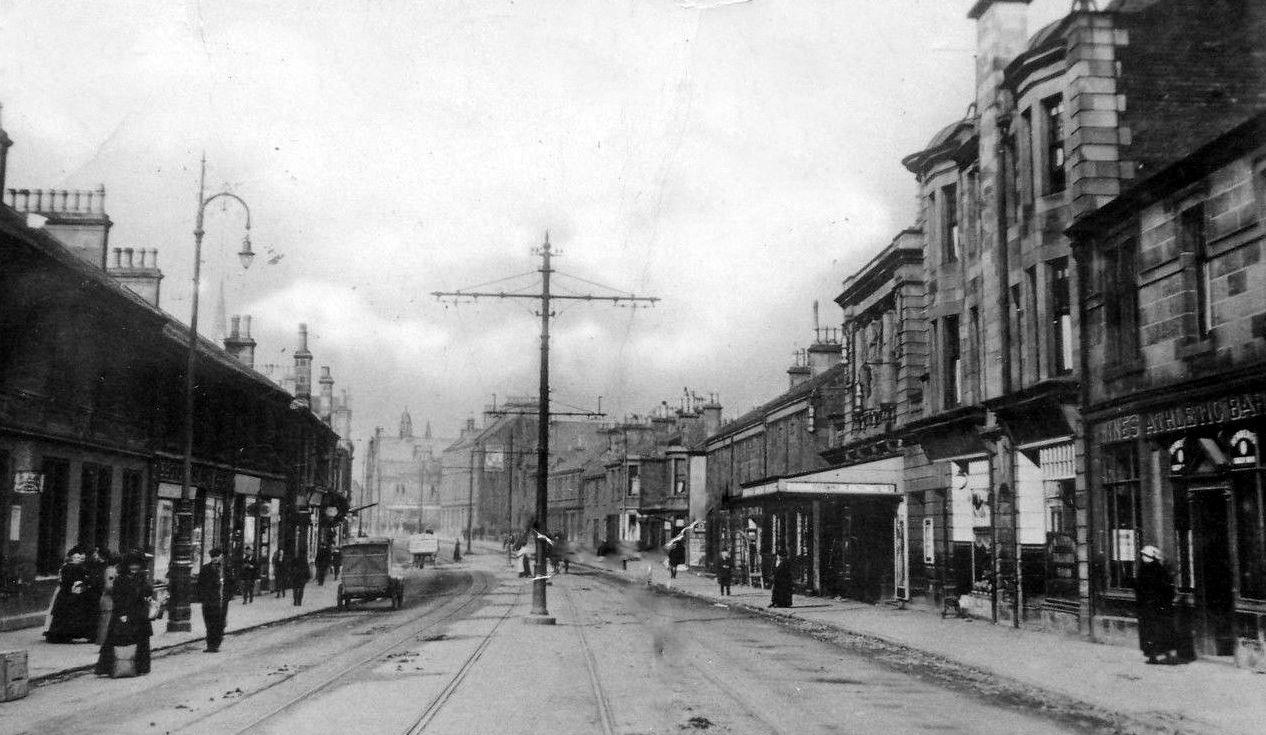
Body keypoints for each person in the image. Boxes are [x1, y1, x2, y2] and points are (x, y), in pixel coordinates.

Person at [96, 553, 153, 676]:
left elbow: (148, 592)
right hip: (124, 613)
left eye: (136, 565)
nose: (134, 568)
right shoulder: (120, 579)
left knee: (141, 640)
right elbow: (117, 597)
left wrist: (147, 598)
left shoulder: (142, 578)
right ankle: (113, 667)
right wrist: (122, 613)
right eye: (131, 565)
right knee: (119, 640)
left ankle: (140, 667)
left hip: (139, 614)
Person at [45, 546, 100, 643]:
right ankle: (64, 635)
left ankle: (60, 634)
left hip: (65, 593)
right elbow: (76, 581)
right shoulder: (74, 568)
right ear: (71, 558)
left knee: (64, 615)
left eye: (79, 558)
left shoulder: (67, 567)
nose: (78, 560)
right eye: (76, 558)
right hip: (70, 593)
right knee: (69, 615)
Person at [1136, 545, 1180, 665]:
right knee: (1161, 630)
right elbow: (1168, 589)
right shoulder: (1159, 569)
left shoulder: (1144, 570)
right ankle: (1165, 653)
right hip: (1159, 607)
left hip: (1149, 607)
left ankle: (1153, 656)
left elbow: (1139, 590)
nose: (1144, 558)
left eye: (1145, 556)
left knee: (1150, 632)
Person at [197, 548, 232, 653]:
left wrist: (228, 597)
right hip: (208, 601)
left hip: (221, 601)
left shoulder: (226, 569)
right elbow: (200, 585)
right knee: (209, 623)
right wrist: (203, 598)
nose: (215, 559)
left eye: (217, 556)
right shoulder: (205, 569)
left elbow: (232, 583)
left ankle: (216, 644)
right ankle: (210, 645)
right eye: (213, 557)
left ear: (221, 556)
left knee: (220, 623)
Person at [93, 549, 120, 646]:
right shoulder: (111, 570)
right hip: (108, 599)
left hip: (108, 599)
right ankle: (104, 643)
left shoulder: (110, 569)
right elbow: (109, 586)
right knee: (106, 622)